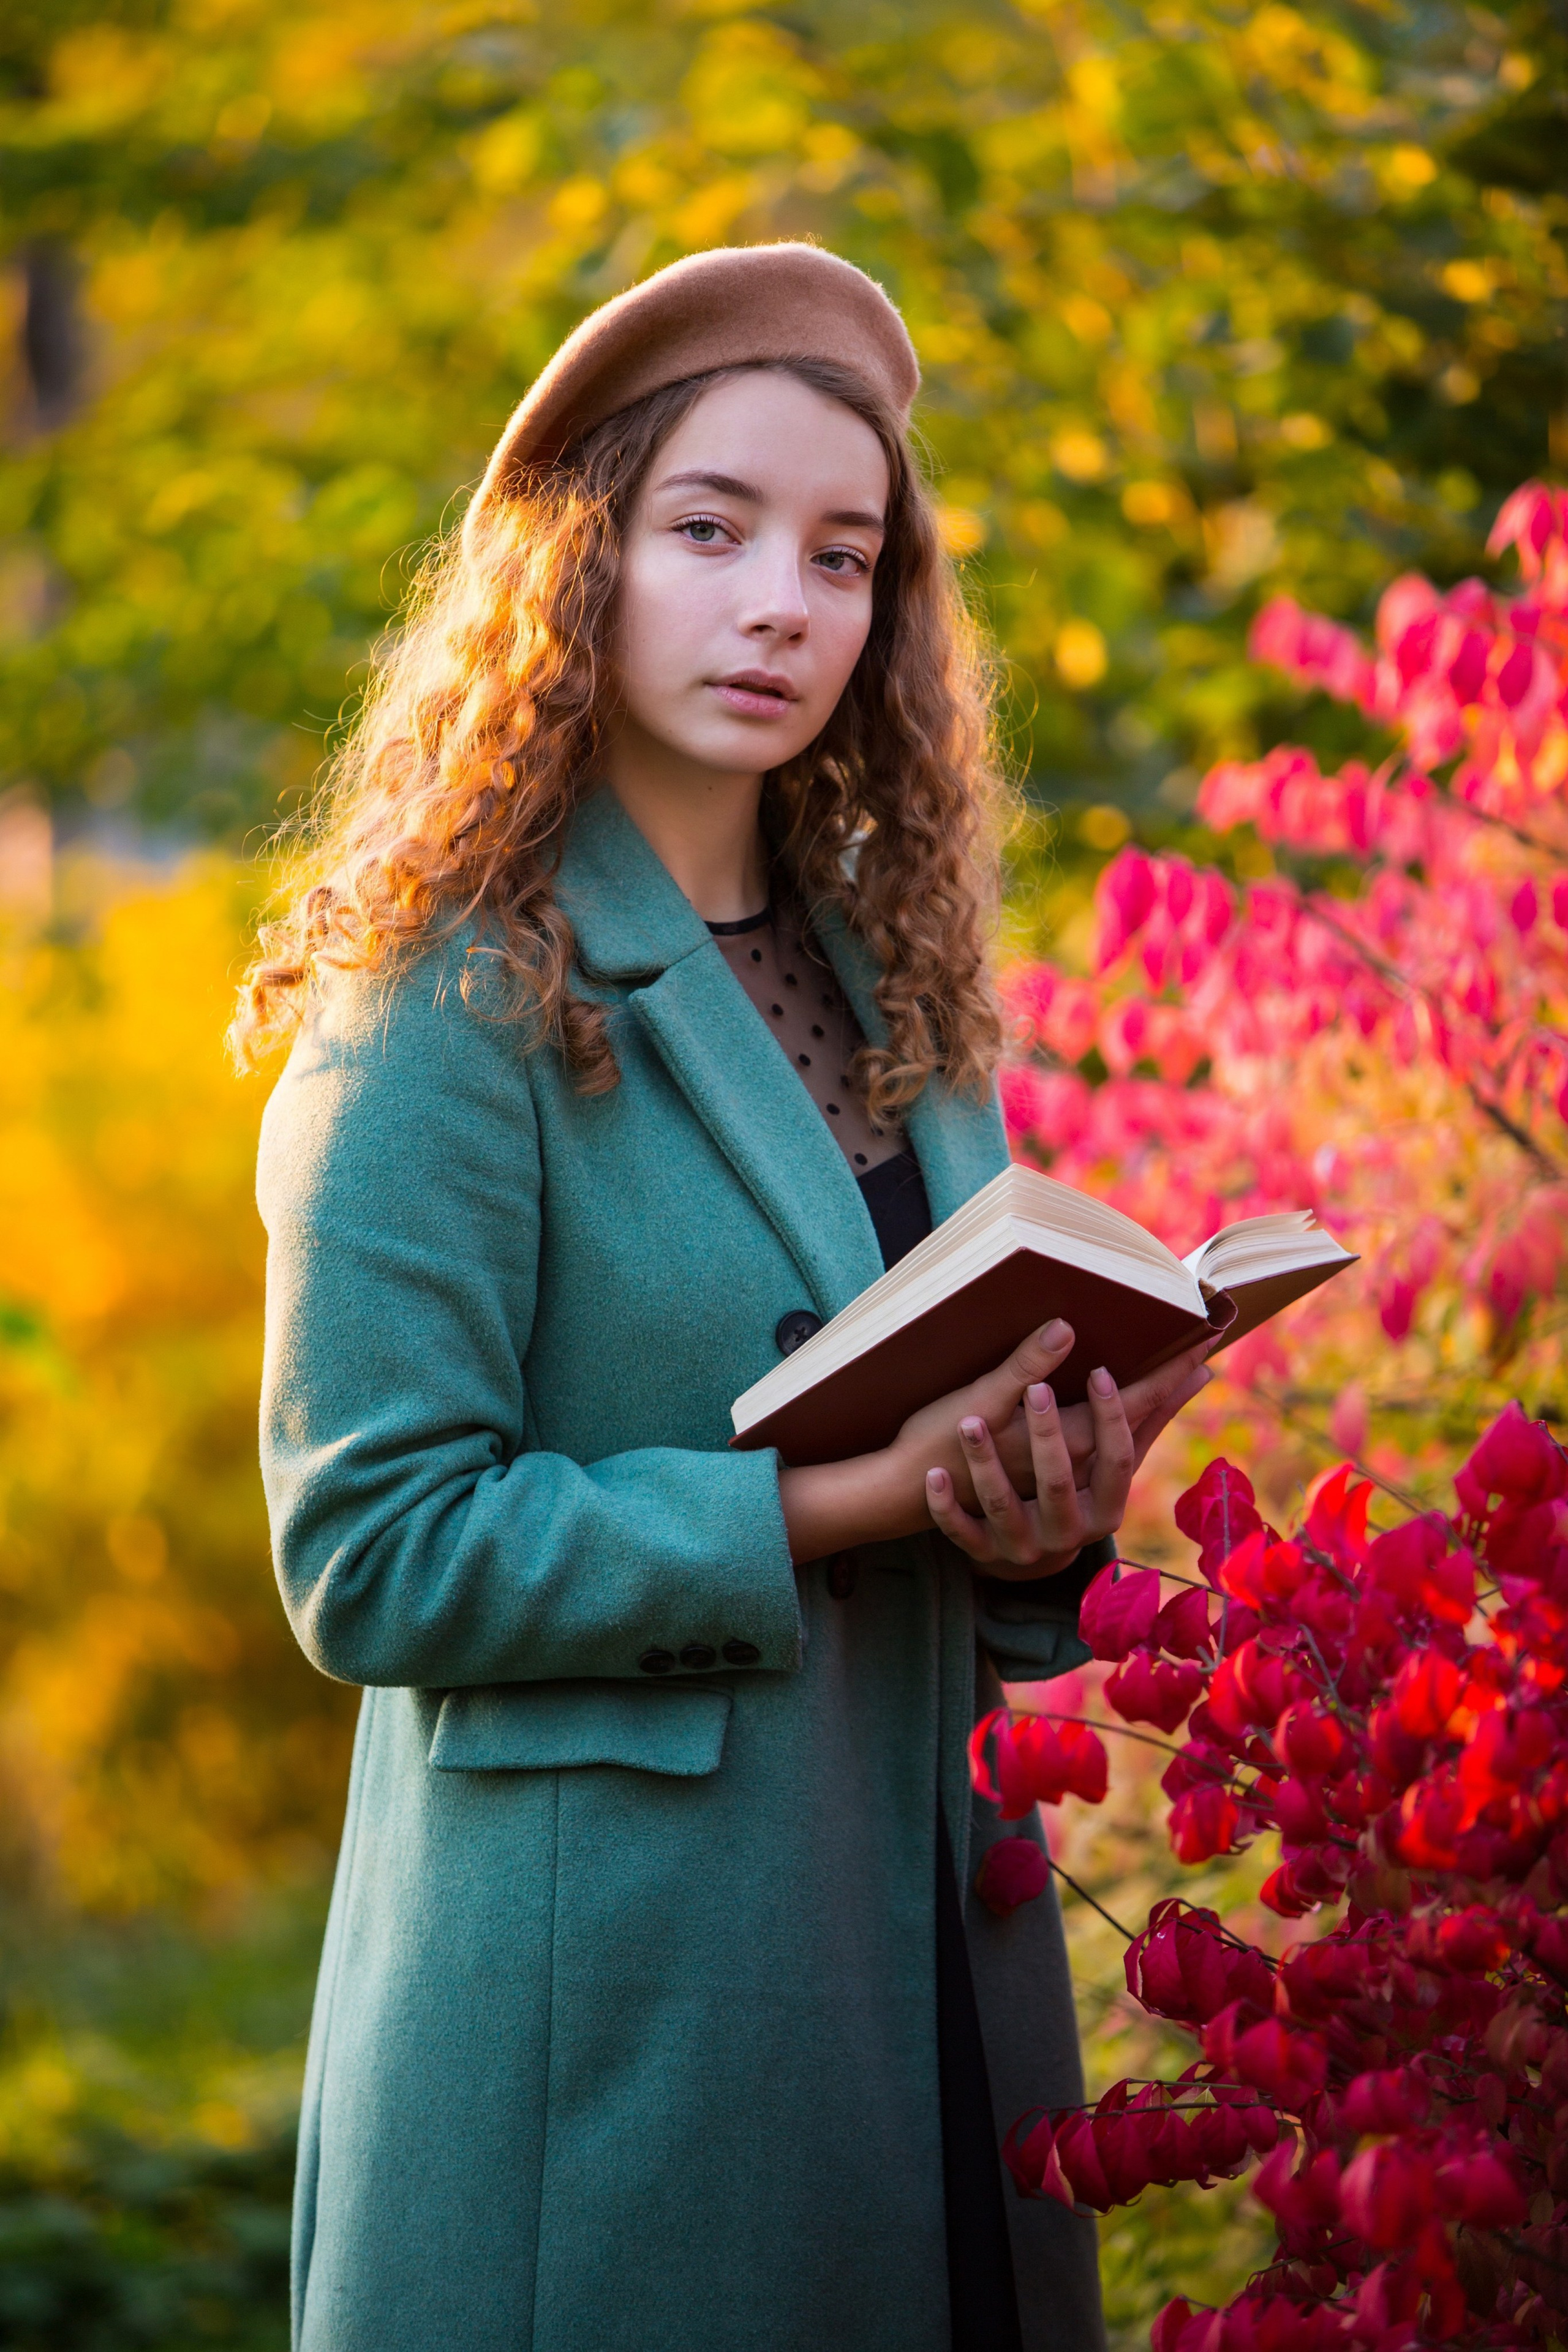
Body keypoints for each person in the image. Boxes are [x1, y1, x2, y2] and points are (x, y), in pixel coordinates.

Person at [236, 242, 1212, 2352]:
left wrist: (1046, 1510)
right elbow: (371, 1553)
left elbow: (958, 1469)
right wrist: (848, 1503)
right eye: (712, 529)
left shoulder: (901, 986)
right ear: (574, 565)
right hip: (618, 2052)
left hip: (932, 1985)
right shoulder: (444, 991)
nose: (787, 601)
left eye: (844, 556)